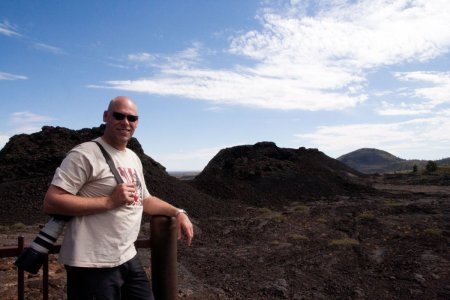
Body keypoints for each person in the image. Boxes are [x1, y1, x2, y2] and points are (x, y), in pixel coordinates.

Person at [43, 96, 193, 300]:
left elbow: (145, 199)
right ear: (106, 116)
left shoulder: (132, 157)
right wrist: (110, 201)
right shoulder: (84, 154)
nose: (126, 122)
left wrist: (178, 212)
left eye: (132, 118)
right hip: (92, 265)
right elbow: (52, 201)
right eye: (119, 115)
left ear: (137, 122)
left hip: (127, 258)